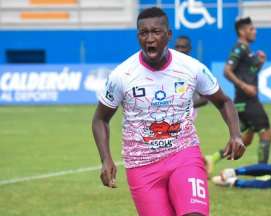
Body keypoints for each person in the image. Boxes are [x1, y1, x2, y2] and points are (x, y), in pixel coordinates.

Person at [92, 7, 246, 216]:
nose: (150, 39)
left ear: (168, 35)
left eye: (156, 32)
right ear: (138, 36)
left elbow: (224, 101)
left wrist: (235, 134)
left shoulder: (192, 68)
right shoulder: (122, 75)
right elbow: (100, 119)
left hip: (184, 155)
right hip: (141, 166)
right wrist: (105, 158)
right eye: (144, 33)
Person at [209, 17, 271, 171]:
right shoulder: (240, 48)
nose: (255, 31)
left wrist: (259, 64)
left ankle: (212, 158)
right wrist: (245, 87)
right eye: (251, 29)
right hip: (248, 100)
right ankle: (262, 171)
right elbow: (227, 71)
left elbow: (248, 74)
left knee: (246, 138)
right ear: (241, 31)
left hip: (242, 101)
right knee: (266, 133)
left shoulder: (247, 50)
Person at [175, 35, 208, 110]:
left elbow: (205, 99)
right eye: (177, 47)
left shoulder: (195, 69)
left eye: (183, 47)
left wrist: (184, 107)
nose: (179, 50)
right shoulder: (168, 69)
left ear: (189, 48)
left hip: (188, 117)